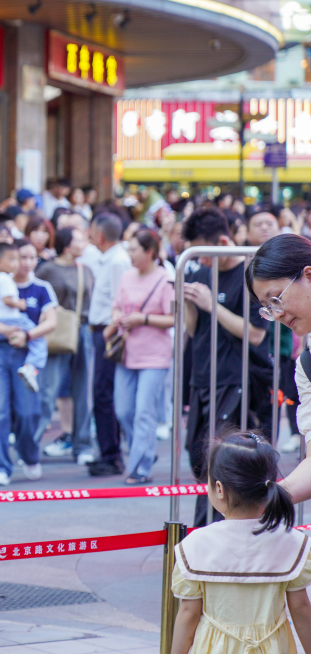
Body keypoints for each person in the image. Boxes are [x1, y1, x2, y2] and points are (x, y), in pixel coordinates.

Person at [170, 430, 311, 654]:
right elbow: (301, 608)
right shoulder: (290, 542)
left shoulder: (197, 544)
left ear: (219, 489)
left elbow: (188, 614)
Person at [183, 207, 267, 526]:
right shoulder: (201, 272)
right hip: (201, 375)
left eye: (205, 254)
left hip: (233, 378)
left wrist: (211, 304)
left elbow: (256, 334)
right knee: (198, 457)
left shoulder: (249, 277)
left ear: (221, 241)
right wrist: (189, 304)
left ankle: (218, 528)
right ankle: (203, 530)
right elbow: (193, 330)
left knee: (220, 459)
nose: (202, 261)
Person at [0, 240, 56, 486]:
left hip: (27, 354)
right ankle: (1, 465)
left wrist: (27, 335)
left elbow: (51, 321)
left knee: (28, 412)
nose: (24, 263)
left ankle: (29, 455)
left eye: (30, 257)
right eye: (19, 257)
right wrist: (7, 331)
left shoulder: (41, 288)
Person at [106, 229, 174, 486]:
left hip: (154, 356)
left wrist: (143, 319)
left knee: (144, 412)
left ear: (149, 252)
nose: (130, 254)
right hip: (127, 352)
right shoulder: (126, 277)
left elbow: (172, 319)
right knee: (123, 410)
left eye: (134, 249)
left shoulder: (165, 279)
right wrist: (116, 317)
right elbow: (116, 305)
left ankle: (140, 467)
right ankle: (144, 450)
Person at [247, 234, 311, 502]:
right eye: (267, 309)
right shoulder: (306, 366)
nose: (278, 314)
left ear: (308, 275)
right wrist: (261, 501)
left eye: (276, 299)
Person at [36, 227, 95, 465]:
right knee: (47, 391)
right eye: (79, 239)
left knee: (83, 392)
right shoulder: (47, 269)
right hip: (57, 332)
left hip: (82, 331)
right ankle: (30, 445)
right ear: (67, 245)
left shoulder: (86, 269)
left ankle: (83, 444)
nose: (84, 243)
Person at [86, 213, 131, 478]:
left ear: (99, 235)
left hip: (107, 333)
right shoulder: (110, 259)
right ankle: (108, 452)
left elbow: (122, 301)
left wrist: (112, 333)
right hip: (101, 331)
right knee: (102, 393)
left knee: (104, 393)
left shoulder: (117, 261)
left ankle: (111, 455)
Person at [0, 243, 47, 392]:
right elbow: (7, 300)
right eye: (14, 259)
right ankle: (30, 367)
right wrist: (20, 304)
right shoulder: (5, 278)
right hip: (12, 321)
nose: (18, 263)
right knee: (39, 339)